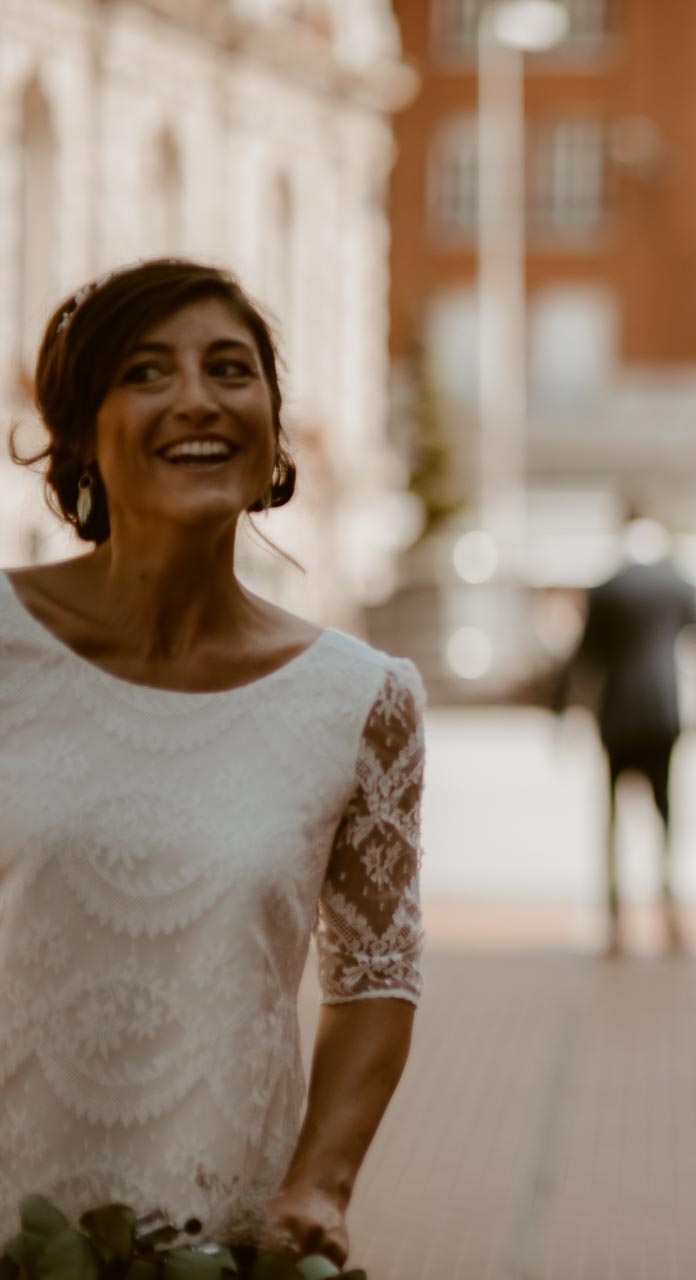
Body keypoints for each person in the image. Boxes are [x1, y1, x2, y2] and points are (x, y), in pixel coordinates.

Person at [0, 260, 424, 1264]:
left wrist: (320, 1180)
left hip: (218, 1244)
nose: (197, 396)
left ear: (272, 430)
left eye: (230, 368)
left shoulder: (361, 699)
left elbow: (375, 973)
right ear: (81, 435)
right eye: (147, 371)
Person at [553, 511, 696, 956]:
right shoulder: (678, 583)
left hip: (617, 717)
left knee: (614, 822)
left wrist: (563, 710)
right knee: (666, 818)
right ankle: (669, 905)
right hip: (662, 713)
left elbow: (585, 656)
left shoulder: (607, 588)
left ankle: (616, 920)